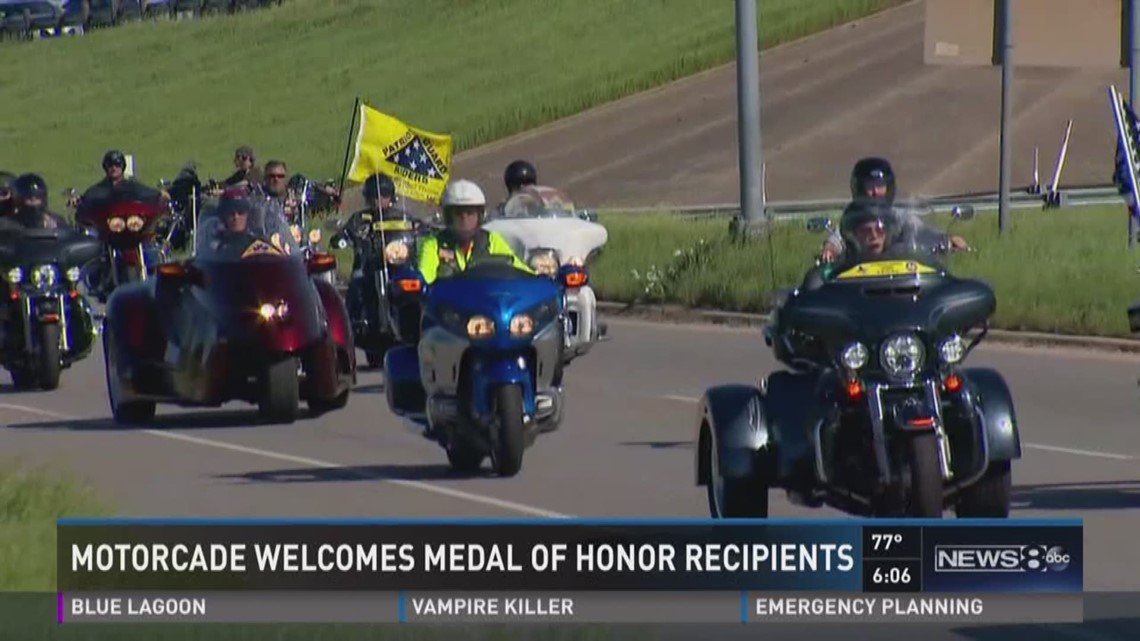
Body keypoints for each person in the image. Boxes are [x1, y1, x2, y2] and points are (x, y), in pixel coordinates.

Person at [417, 179, 532, 284]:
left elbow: (520, 270)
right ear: (448, 217)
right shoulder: (433, 244)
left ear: (480, 216)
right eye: (458, 214)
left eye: (470, 213)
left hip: (487, 305)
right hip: (448, 306)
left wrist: (540, 277)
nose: (465, 220)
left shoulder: (491, 240)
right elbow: (423, 280)